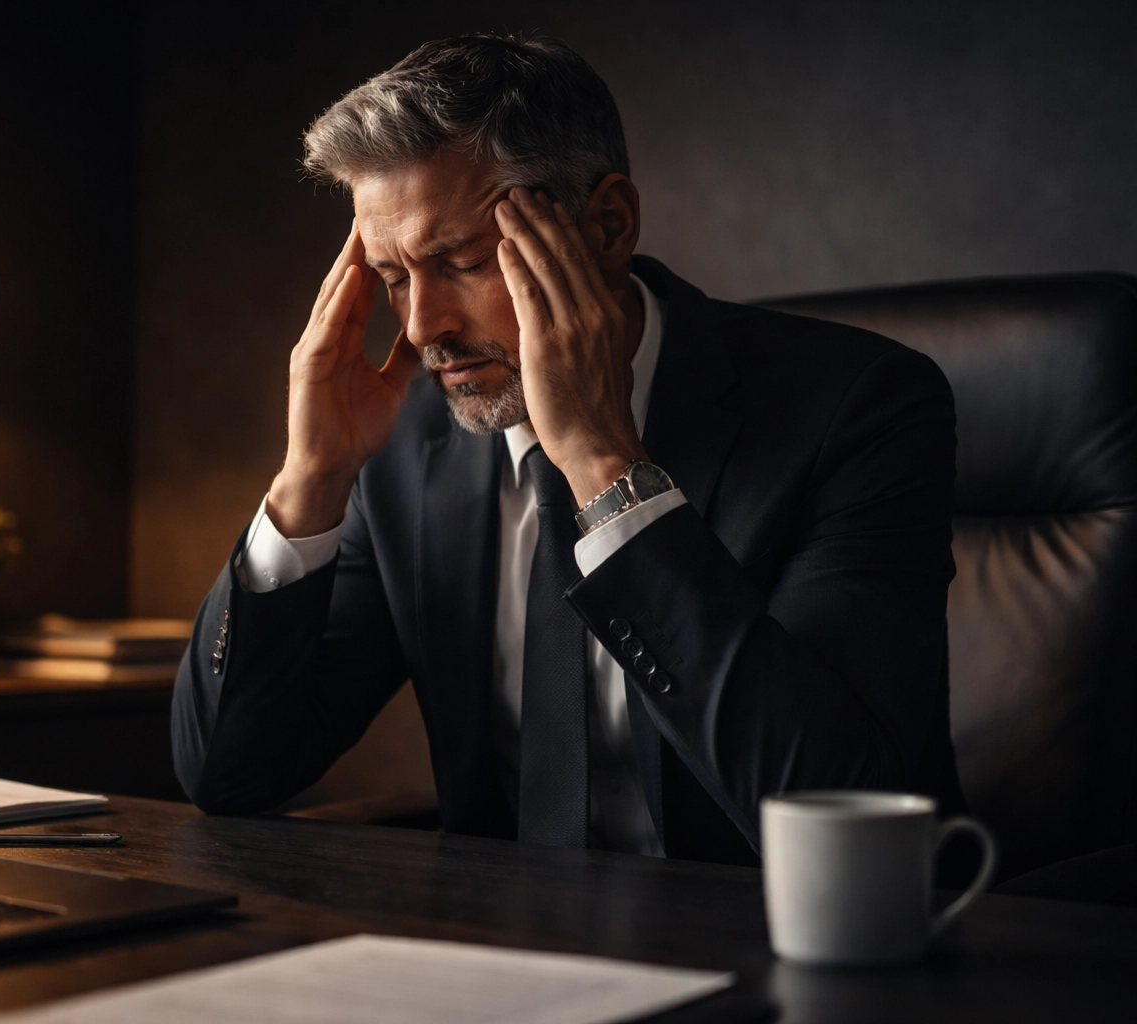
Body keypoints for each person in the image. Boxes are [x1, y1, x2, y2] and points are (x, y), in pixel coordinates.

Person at [170, 34, 965, 863]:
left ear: (608, 225)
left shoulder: (861, 407)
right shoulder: (405, 449)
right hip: (504, 962)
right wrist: (311, 480)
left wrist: (602, 463)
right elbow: (228, 774)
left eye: (462, 261)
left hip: (792, 955)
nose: (420, 327)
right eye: (396, 276)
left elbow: (834, 801)